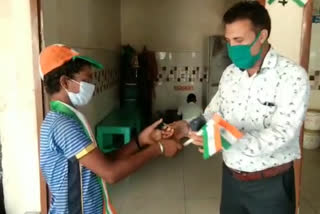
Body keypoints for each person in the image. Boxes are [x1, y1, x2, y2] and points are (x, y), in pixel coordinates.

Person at [170, 2, 310, 214]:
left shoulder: (292, 76)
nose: (233, 48)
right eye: (228, 41)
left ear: (262, 36)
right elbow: (212, 113)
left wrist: (225, 137)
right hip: (231, 180)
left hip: (271, 185)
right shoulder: (230, 74)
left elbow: (284, 134)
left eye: (239, 40)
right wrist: (187, 126)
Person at [39, 44, 182, 214]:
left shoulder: (67, 118)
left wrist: (140, 140)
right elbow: (110, 173)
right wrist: (158, 149)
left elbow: (102, 162)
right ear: (65, 82)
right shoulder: (63, 124)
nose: (91, 85)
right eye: (86, 80)